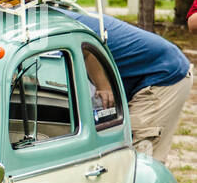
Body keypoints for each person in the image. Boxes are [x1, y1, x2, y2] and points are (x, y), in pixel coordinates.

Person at [62, 10, 193, 164]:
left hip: (162, 74)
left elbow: (85, 46)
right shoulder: (42, 19)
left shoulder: (65, 25)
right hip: (139, 75)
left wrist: (104, 86)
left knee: (137, 157)